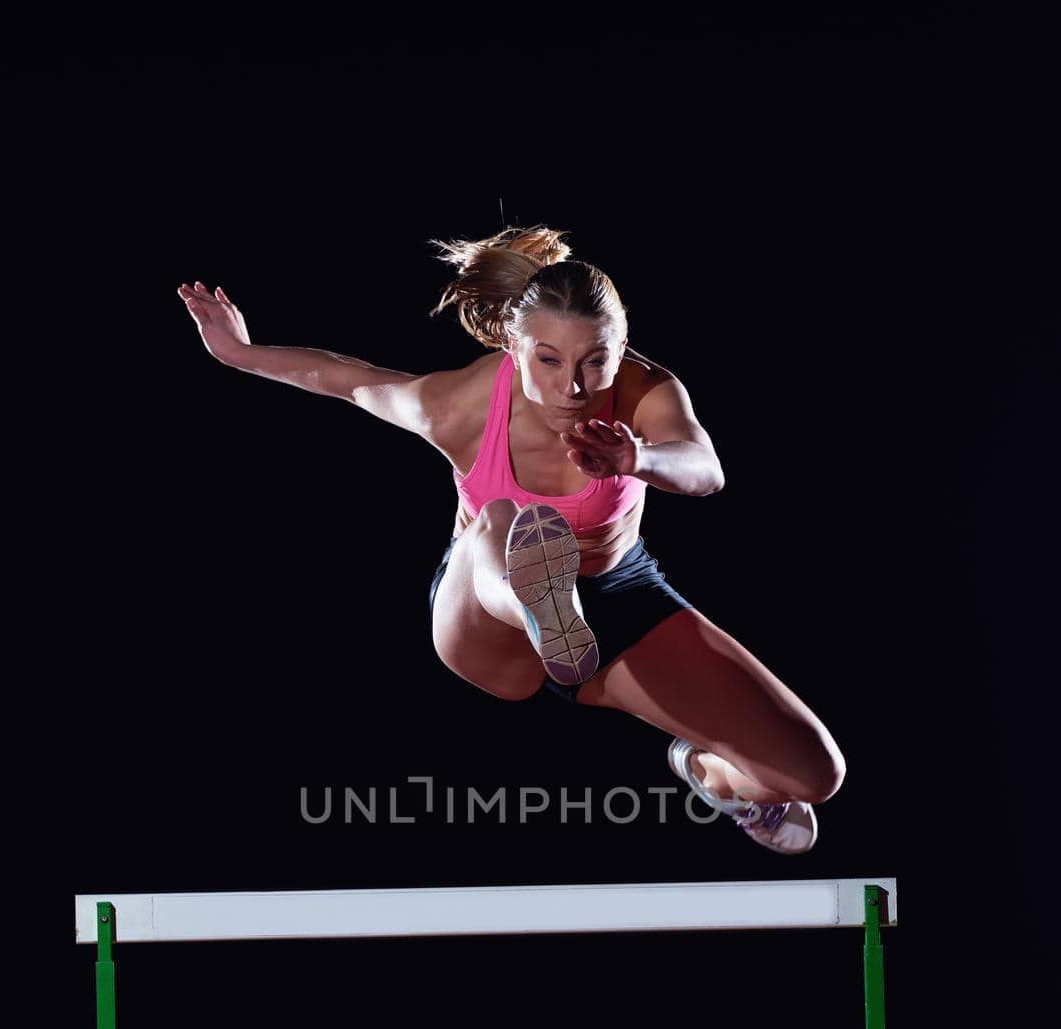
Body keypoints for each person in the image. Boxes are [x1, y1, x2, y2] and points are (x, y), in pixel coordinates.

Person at [177, 223, 845, 852]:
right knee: (511, 523)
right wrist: (238, 352)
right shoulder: (462, 404)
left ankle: (707, 766)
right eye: (548, 361)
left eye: (595, 362)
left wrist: (637, 457)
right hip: (483, 618)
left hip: (616, 597)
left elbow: (704, 469)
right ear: (512, 347)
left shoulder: (647, 391)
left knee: (814, 775)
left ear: (622, 349)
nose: (572, 387)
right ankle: (537, 603)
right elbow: (352, 382)